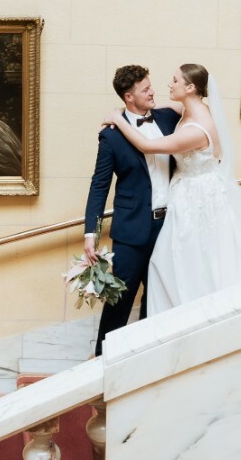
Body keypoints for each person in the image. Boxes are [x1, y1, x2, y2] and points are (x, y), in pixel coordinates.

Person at [101, 63, 241, 314]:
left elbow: (147, 146)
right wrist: (129, 110)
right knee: (178, 262)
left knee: (199, 261)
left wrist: (117, 119)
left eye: (175, 81)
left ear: (190, 87)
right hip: (185, 192)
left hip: (198, 197)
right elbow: (157, 106)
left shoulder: (195, 129)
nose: (169, 85)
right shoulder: (189, 108)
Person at [84, 64, 180, 355]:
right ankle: (101, 372)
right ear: (128, 96)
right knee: (119, 304)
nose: (153, 91)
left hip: (169, 228)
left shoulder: (167, 118)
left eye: (151, 85)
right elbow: (99, 186)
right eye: (145, 89)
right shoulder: (111, 136)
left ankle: (144, 369)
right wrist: (91, 233)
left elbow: (190, 103)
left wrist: (149, 104)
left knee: (157, 302)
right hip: (131, 232)